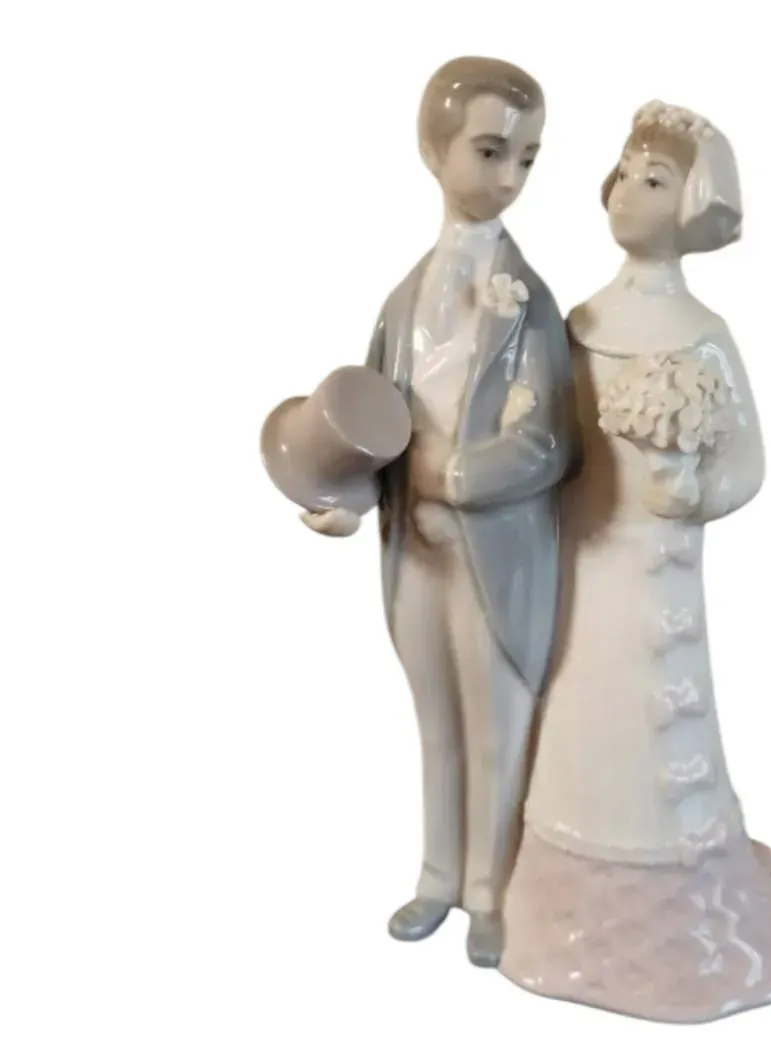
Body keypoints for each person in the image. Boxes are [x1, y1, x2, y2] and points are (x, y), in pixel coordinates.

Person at [499, 101, 771, 1020]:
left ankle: (682, 894)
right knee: (585, 705)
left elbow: (749, 462)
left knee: (662, 711)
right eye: (627, 171)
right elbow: (545, 434)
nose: (628, 191)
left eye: (655, 180)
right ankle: (568, 884)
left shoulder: (703, 332)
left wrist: (698, 490)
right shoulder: (580, 322)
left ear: (694, 207)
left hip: (664, 569)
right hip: (585, 561)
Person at [303, 57, 576, 966]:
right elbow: (369, 422)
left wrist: (456, 475)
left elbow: (549, 442)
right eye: (491, 151)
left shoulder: (529, 302)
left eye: (527, 158)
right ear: (435, 150)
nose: (509, 177)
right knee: (435, 719)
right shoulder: (402, 299)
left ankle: (494, 888)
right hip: (414, 551)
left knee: (498, 722)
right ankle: (437, 877)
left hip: (498, 552)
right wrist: (343, 498)